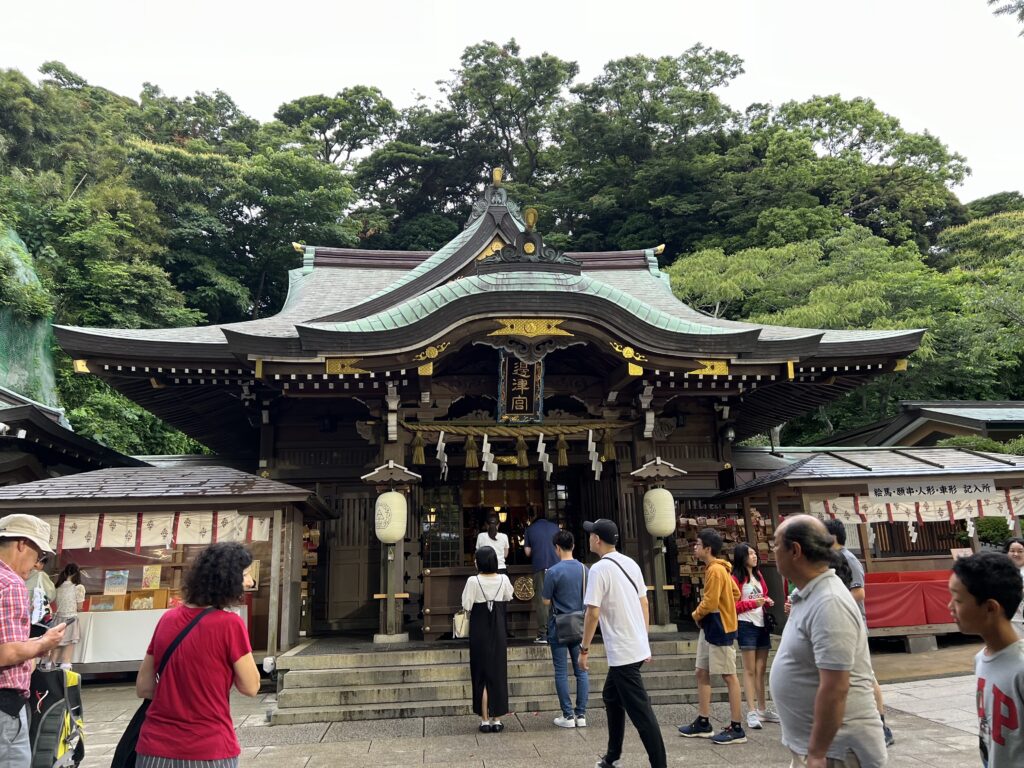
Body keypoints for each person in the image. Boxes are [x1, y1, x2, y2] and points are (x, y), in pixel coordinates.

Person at [769, 515, 886, 768]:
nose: (773, 551)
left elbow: (836, 686)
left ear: (796, 550)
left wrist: (817, 751)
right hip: (822, 748)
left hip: (838, 750)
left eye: (776, 545)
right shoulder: (810, 593)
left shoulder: (829, 601)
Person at [134, 542, 261, 768]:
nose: (250, 582)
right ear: (228, 580)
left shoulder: (167, 619)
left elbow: (144, 686)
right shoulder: (230, 625)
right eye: (245, 575)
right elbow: (251, 687)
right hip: (208, 748)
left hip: (154, 750)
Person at [579, 518, 666, 768]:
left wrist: (584, 649)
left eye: (591, 535)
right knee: (611, 696)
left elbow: (592, 612)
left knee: (642, 714)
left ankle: (659, 764)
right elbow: (644, 602)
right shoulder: (631, 563)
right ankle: (612, 755)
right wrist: (644, 639)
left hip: (623, 649)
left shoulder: (598, 569)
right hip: (634, 644)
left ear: (597, 539)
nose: (589, 538)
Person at [0, 514, 66, 768]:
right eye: (39, 557)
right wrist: (43, 643)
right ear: (22, 544)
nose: (37, 565)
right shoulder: (10, 583)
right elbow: (5, 653)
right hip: (5, 705)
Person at [948, 550, 1024, 768]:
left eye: (958, 600)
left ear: (990, 608)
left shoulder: (1020, 668)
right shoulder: (981, 660)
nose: (950, 608)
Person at [823, 518, 894, 748]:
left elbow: (859, 592)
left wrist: (833, 601)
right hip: (839, 623)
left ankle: (881, 724)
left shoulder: (848, 558)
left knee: (866, 675)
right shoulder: (831, 559)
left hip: (854, 623)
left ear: (832, 537)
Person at [678, 528, 745, 744]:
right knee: (701, 671)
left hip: (719, 625)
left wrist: (696, 614)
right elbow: (734, 593)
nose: (695, 547)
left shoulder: (716, 570)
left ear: (708, 548)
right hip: (711, 625)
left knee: (728, 674)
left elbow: (711, 601)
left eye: (697, 544)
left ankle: (736, 727)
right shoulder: (719, 569)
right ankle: (703, 720)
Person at [461, 546, 513, 733]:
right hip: (498, 627)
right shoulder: (503, 579)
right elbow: (509, 595)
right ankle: (497, 719)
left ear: (479, 562)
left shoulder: (473, 581)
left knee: (481, 673)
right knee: (498, 672)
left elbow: (466, 604)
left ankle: (484, 720)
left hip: (479, 628)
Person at [541, 529, 589, 728]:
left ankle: (567, 715)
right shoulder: (584, 569)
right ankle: (581, 714)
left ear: (557, 548)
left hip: (559, 625)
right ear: (574, 546)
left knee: (561, 671)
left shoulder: (553, 572)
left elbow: (545, 601)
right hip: (580, 625)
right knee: (581, 671)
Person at [731, 541, 779, 731]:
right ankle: (751, 710)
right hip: (746, 625)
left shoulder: (759, 576)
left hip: (762, 624)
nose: (754, 556)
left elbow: (763, 595)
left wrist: (766, 601)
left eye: (754, 553)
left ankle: (762, 708)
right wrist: (753, 603)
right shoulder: (735, 578)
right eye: (750, 554)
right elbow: (732, 606)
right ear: (741, 557)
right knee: (749, 670)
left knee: (761, 669)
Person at [524, 508, 559, 644]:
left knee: (542, 600)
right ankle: (556, 631)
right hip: (557, 566)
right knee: (557, 598)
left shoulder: (530, 529)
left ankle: (543, 634)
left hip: (540, 567)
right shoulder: (556, 527)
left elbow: (527, 552)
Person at [52, 562, 86, 669]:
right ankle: (65, 665)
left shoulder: (57, 586)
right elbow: (79, 606)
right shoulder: (78, 587)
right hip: (70, 619)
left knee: (57, 643)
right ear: (77, 573)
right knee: (69, 643)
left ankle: (50, 664)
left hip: (58, 618)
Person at [25, 557, 56, 625]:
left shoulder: (18, 573)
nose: (41, 565)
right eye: (40, 562)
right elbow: (51, 595)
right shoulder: (41, 575)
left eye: (42, 563)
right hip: (36, 618)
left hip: (20, 618)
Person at [1004, 537, 1024, 639]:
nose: (1015, 554)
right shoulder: (1001, 572)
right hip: (1010, 619)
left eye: (1020, 551)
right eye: (1012, 551)